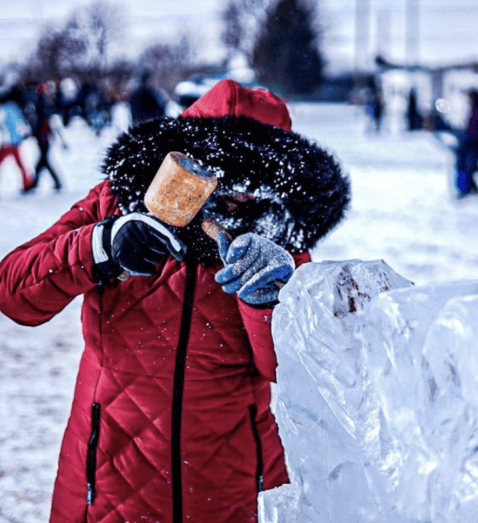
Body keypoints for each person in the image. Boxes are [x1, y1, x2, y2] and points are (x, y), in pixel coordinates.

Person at [0, 79, 350, 522]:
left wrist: (266, 302)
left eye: (256, 179)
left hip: (232, 485)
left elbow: (290, 370)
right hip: (105, 474)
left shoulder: (276, 240)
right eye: (223, 171)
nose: (239, 193)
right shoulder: (117, 203)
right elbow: (14, 292)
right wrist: (99, 247)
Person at [30, 82, 67, 192]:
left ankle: (35, 184)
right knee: (43, 161)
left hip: (42, 137)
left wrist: (36, 133)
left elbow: (41, 122)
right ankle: (54, 183)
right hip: (44, 136)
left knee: (43, 162)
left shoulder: (40, 103)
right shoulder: (46, 103)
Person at [0, 85, 35, 192]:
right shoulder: (16, 108)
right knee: (21, 164)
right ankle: (27, 183)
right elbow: (21, 123)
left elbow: (3, 124)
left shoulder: (4, 109)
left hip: (7, 142)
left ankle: (27, 183)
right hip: (16, 141)